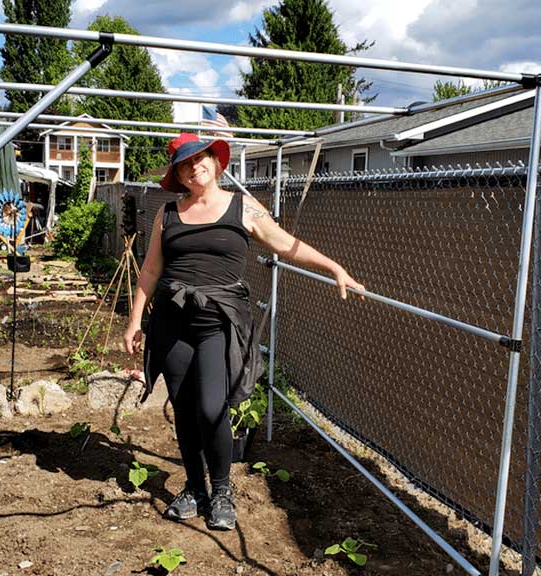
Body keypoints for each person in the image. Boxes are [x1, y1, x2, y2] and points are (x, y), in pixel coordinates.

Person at [123, 133, 364, 531]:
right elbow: (150, 269)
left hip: (218, 322)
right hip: (171, 320)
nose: (195, 166)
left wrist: (334, 267)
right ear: (178, 174)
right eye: (186, 162)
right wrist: (134, 320)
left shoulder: (244, 208)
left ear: (216, 163)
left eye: (201, 158)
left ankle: (221, 490)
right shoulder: (168, 214)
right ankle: (195, 488)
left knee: (211, 408)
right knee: (184, 410)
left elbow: (286, 246)